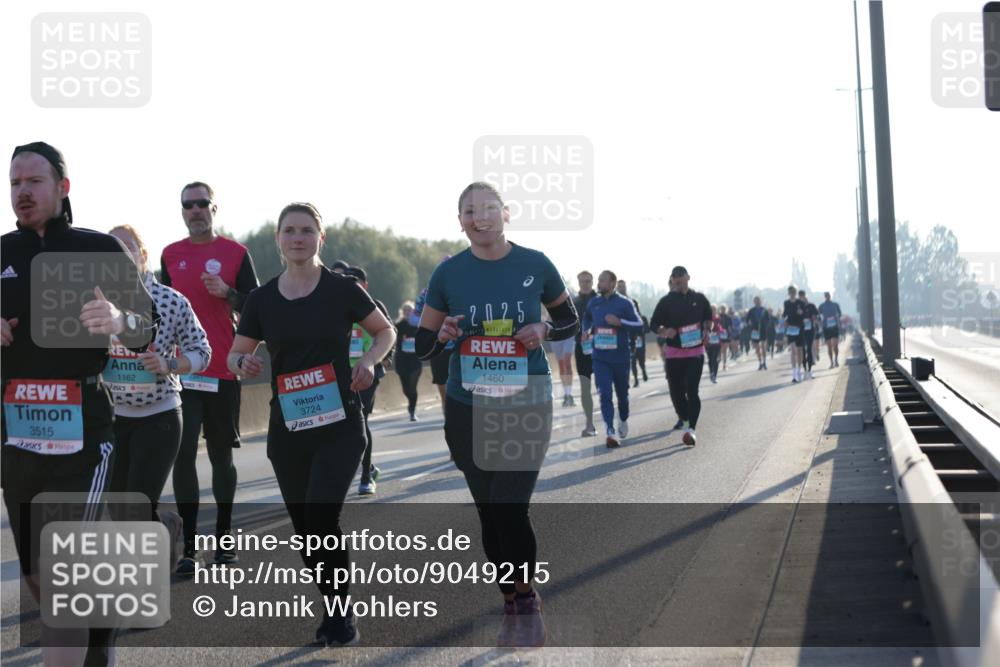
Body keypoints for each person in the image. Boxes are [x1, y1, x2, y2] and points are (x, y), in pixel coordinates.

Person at [3, 142, 158, 666]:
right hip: (16, 437)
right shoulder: (1, 253)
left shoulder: (97, 250)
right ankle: (99, 637)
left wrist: (117, 320)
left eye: (34, 181)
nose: (22, 192)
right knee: (39, 577)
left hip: (83, 437)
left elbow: (144, 331)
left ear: (63, 187)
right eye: (14, 182)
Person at [415, 181, 578, 648]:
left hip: (526, 398)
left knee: (510, 505)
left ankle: (526, 602)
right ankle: (510, 599)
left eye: (488, 208)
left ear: (506, 213)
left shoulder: (535, 263)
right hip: (468, 406)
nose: (479, 217)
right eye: (469, 211)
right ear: (460, 220)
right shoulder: (449, 274)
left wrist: (543, 327)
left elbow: (571, 320)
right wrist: (442, 333)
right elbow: (421, 344)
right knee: (489, 512)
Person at [229, 202, 395, 647]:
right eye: (289, 231)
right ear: (278, 240)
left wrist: (369, 360)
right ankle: (332, 603)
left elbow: (386, 331)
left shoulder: (342, 290)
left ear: (320, 239)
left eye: (306, 230)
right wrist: (242, 361)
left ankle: (341, 616)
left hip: (340, 422)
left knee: (322, 516)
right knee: (305, 527)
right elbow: (234, 352)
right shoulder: (261, 298)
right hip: (289, 428)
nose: (297, 238)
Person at [161, 181, 259, 573]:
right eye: (189, 205)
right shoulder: (170, 255)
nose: (196, 210)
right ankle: (190, 547)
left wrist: (230, 294)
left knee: (221, 456)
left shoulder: (236, 253)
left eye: (203, 204)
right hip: (183, 373)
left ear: (214, 209)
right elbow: (159, 310)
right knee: (183, 456)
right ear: (182, 211)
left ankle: (225, 539)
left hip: (223, 368)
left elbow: (257, 306)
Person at [105, 225, 210, 561]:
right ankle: (165, 526)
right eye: (112, 249)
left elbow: (202, 351)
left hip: (159, 416)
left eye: (127, 247)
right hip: (112, 418)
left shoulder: (170, 300)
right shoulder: (96, 302)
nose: (120, 254)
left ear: (143, 255)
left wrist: (169, 364)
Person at [650, 266, 712, 447]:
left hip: (695, 352)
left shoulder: (699, 299)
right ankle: (685, 421)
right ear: (672, 280)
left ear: (688, 278)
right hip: (674, 354)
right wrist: (664, 331)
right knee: (676, 394)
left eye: (681, 278)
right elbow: (653, 324)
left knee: (692, 391)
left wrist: (707, 330)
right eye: (675, 279)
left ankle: (691, 430)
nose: (678, 281)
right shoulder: (666, 302)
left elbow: (709, 318)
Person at [344, 265, 393, 496]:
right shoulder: (335, 305)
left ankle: (365, 477)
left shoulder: (375, 306)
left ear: (364, 286)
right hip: (340, 373)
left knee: (361, 420)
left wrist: (382, 359)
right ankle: (368, 467)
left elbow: (387, 333)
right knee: (344, 426)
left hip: (368, 373)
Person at [583, 271, 643, 447]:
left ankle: (623, 419)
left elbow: (639, 325)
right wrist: (586, 331)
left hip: (621, 358)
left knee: (622, 395)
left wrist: (620, 323)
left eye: (602, 281)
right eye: (599, 280)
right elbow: (586, 319)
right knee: (605, 393)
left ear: (613, 283)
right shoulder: (594, 302)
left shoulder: (625, 303)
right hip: (600, 357)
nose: (599, 284)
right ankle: (610, 430)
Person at [573, 271, 597, 437]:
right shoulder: (573, 302)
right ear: (578, 282)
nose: (585, 284)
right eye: (582, 281)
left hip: (602, 348)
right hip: (581, 349)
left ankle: (611, 422)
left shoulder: (600, 300)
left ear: (592, 281)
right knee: (585, 388)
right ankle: (590, 424)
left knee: (605, 387)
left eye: (588, 281)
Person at [394, 301, 423, 421]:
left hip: (415, 360)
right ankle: (411, 402)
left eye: (409, 310)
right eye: (405, 310)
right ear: (402, 312)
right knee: (406, 389)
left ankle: (412, 410)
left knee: (412, 387)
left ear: (413, 312)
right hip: (402, 360)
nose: (407, 312)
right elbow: (392, 342)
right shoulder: (398, 326)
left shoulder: (419, 325)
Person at [616, 280, 648, 387]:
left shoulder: (632, 301)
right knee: (629, 359)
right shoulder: (614, 302)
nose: (621, 288)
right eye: (619, 286)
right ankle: (632, 380)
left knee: (638, 357)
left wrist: (639, 333)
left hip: (634, 334)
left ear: (625, 287)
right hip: (622, 335)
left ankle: (642, 370)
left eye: (622, 286)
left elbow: (638, 319)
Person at [546, 305, 576, 408]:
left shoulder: (566, 299)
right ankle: (566, 394)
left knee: (567, 363)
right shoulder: (548, 299)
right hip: (556, 336)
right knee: (562, 365)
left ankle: (569, 394)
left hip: (568, 335)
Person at [782, 286, 807, 383]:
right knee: (793, 351)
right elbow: (785, 314)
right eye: (790, 292)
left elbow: (805, 314)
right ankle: (794, 374)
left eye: (793, 292)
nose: (792, 294)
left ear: (795, 293)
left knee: (799, 350)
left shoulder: (800, 303)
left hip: (799, 328)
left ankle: (799, 370)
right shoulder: (786, 303)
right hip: (790, 329)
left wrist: (801, 313)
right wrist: (784, 320)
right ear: (788, 293)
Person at [818, 292, 842, 367]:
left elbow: (840, 314)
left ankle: (836, 360)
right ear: (824, 297)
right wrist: (822, 321)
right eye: (826, 296)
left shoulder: (835, 304)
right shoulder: (822, 306)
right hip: (826, 327)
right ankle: (831, 362)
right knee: (829, 346)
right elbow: (818, 315)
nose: (827, 297)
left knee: (835, 345)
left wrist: (835, 318)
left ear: (830, 296)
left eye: (828, 295)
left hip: (834, 327)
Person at [745, 296, 770, 370]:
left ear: (760, 301)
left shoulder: (764, 310)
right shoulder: (751, 310)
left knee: (763, 346)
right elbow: (747, 320)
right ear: (754, 302)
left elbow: (768, 320)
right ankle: (760, 362)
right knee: (757, 348)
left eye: (758, 301)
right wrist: (751, 326)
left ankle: (764, 362)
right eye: (755, 301)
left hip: (762, 331)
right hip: (754, 331)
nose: (757, 302)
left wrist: (765, 326)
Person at [799, 290, 818, 380]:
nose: (802, 298)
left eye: (803, 296)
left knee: (809, 349)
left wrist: (813, 319)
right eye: (800, 296)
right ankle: (805, 369)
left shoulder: (811, 306)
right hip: (801, 331)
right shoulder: (798, 306)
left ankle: (810, 370)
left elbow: (816, 316)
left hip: (810, 330)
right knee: (802, 350)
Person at [706, 305, 724, 384]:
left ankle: (714, 375)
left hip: (716, 341)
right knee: (710, 359)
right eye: (711, 310)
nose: (712, 311)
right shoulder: (706, 319)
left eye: (714, 310)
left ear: (716, 311)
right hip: (708, 342)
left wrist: (720, 331)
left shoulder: (718, 319)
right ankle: (711, 373)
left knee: (715, 358)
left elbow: (721, 328)